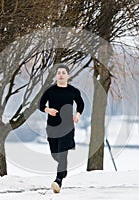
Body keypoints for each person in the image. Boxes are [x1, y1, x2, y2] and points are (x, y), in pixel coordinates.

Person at [39, 63, 84, 193]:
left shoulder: (73, 91)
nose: (61, 75)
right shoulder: (50, 90)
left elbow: (81, 104)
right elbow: (40, 104)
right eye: (59, 73)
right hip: (52, 127)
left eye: (63, 73)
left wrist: (77, 115)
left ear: (68, 76)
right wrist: (48, 109)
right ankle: (63, 170)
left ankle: (58, 180)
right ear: (56, 76)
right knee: (55, 154)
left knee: (62, 154)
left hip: (67, 127)